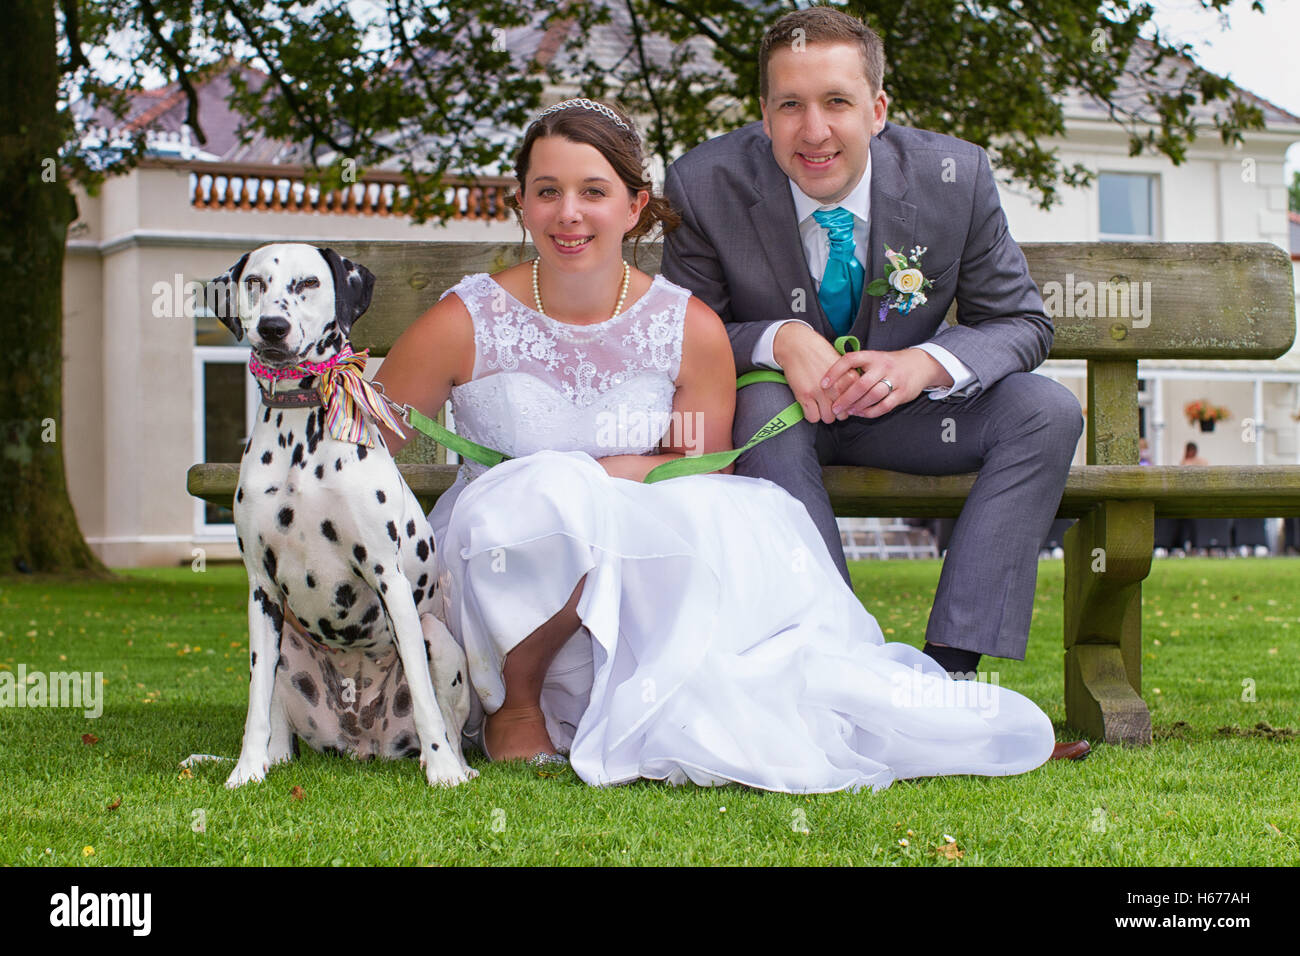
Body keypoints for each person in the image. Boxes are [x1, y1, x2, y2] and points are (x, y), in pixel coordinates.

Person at [368, 97, 1069, 793]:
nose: (569, 214)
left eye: (593, 191)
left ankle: (728, 690)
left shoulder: (683, 325)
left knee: (708, 522)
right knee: (541, 496)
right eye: (546, 192)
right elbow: (366, 439)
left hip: (628, 546)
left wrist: (593, 475)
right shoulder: (467, 318)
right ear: (521, 203)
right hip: (500, 552)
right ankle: (515, 706)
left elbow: (699, 461)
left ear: (636, 205)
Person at [661, 8, 1084, 683]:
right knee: (763, 401)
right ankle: (838, 663)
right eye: (791, 106)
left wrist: (924, 364)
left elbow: (1021, 323)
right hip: (777, 423)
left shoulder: (957, 177)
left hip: (911, 418)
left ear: (877, 108)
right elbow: (682, 333)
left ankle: (949, 671)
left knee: (1047, 412)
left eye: (837, 102)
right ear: (764, 115)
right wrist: (778, 338)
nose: (815, 130)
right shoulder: (703, 183)